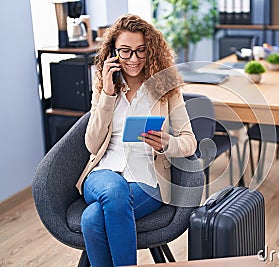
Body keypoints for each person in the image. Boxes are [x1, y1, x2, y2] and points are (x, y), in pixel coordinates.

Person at [75, 14, 197, 267]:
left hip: (148, 178)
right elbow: (91, 144)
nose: (133, 59)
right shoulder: (103, 86)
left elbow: (189, 141)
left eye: (141, 51)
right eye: (125, 51)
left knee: (91, 219)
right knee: (114, 190)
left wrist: (167, 144)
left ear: (150, 49)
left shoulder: (165, 85)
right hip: (103, 173)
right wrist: (108, 95)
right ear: (113, 52)